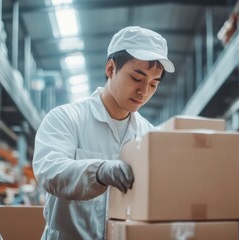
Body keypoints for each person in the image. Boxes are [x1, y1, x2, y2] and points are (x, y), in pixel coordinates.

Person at [32, 26, 175, 239]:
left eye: (153, 84)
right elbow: (49, 171)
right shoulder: (66, 118)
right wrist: (98, 172)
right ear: (110, 69)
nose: (144, 91)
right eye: (137, 78)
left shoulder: (148, 135)